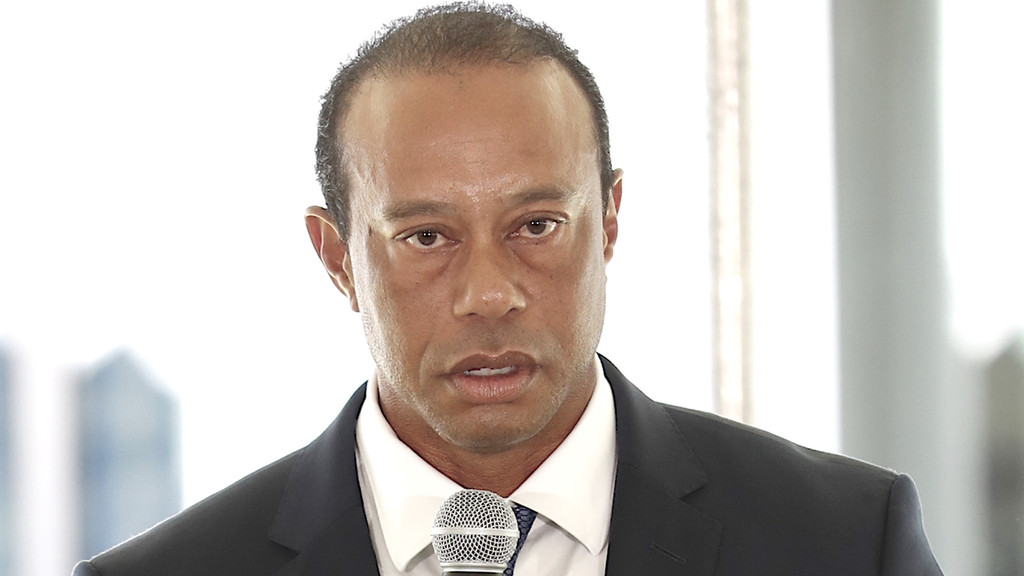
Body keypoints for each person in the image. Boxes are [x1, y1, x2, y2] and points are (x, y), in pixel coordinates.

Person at [73, 3, 943, 575]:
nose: (489, 294)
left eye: (535, 226)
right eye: (425, 237)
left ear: (608, 220)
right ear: (335, 257)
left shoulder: (842, 543)